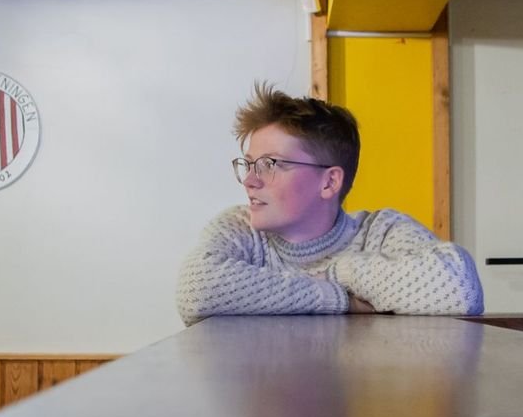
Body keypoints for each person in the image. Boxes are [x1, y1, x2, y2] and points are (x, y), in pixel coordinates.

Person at [176, 83, 484, 324]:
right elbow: (197, 290)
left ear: (329, 182)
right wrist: (339, 299)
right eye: (249, 164)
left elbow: (461, 288)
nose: (249, 181)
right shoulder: (241, 230)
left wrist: (338, 273)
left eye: (269, 164)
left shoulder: (380, 232)